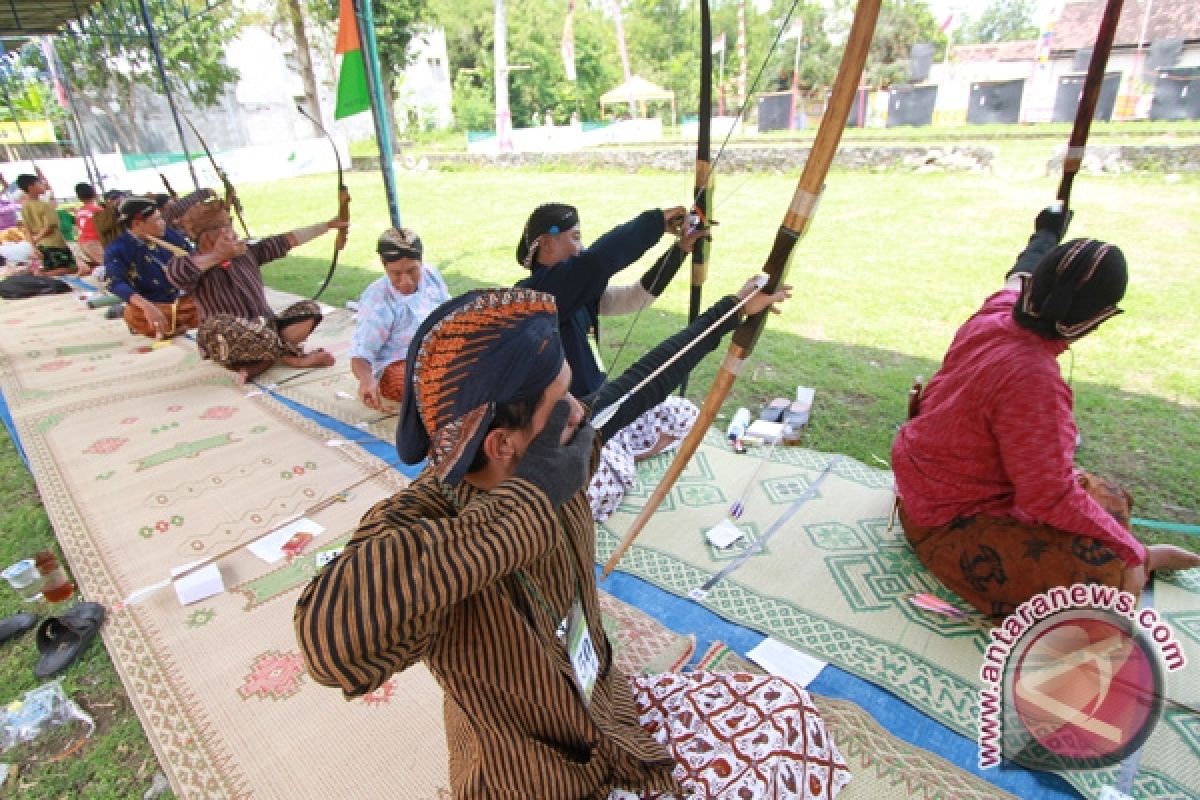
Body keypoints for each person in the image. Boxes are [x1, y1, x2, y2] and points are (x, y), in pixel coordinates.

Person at [296, 279, 852, 799]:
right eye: (561, 400)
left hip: (609, 707)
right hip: (533, 775)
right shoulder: (423, 516)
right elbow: (330, 641)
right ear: (502, 444)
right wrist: (531, 500)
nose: (579, 409)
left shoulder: (558, 450)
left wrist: (729, 310)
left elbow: (637, 386)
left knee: (787, 711)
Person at [891, 206, 1200, 620]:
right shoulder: (1033, 381)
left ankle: (1135, 557)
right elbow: (1046, 496)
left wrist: (1046, 235)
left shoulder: (996, 314)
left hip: (935, 476)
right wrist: (1130, 554)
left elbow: (1018, 274)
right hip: (946, 514)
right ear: (1096, 320)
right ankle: (1137, 561)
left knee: (1110, 502)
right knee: (1101, 575)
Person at [515, 202, 707, 520]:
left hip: (607, 406)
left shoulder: (580, 291)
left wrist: (680, 250)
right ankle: (613, 455)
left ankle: (618, 451)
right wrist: (655, 222)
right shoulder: (534, 295)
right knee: (598, 497)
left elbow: (636, 296)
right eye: (574, 237)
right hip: (572, 424)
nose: (581, 247)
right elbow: (599, 260)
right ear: (546, 244)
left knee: (684, 415)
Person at [166, 199, 346, 382]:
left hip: (265, 329)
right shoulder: (185, 263)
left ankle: (262, 360)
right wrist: (218, 256)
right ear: (214, 234)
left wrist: (328, 225)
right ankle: (292, 358)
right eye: (227, 226)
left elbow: (285, 241)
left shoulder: (246, 252)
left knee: (309, 309)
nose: (232, 231)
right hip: (227, 337)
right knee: (216, 325)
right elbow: (177, 276)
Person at [349, 228, 450, 411]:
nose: (406, 281)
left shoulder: (431, 276)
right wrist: (366, 380)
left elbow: (450, 316)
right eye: (396, 273)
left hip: (439, 353)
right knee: (424, 386)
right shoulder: (377, 298)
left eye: (412, 271)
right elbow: (360, 354)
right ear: (383, 265)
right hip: (400, 365)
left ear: (421, 261)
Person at [104, 196, 197, 338]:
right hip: (153, 304)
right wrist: (147, 306)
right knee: (133, 314)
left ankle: (173, 325)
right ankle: (175, 323)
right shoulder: (118, 248)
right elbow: (115, 282)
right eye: (157, 220)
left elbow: (194, 258)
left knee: (209, 303)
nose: (163, 223)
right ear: (137, 224)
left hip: (185, 301)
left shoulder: (170, 236)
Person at [17, 173, 73, 274]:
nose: (43, 186)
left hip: (40, 245)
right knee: (70, 268)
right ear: (31, 187)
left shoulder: (25, 207)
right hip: (54, 243)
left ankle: (41, 274)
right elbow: (49, 227)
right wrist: (37, 238)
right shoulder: (44, 205)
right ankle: (42, 275)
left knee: (52, 267)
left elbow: (27, 229)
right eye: (39, 183)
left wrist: (33, 245)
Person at [73, 183, 104, 275]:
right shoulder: (98, 210)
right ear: (94, 194)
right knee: (106, 264)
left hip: (82, 242)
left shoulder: (79, 211)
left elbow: (79, 226)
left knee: (95, 263)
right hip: (94, 241)